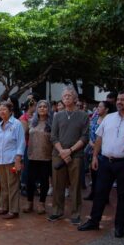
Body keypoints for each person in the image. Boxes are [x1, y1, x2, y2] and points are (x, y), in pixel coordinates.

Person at [79, 90, 124, 236]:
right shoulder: (109, 118)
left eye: (123, 99)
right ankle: (94, 221)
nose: (119, 102)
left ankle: (119, 226)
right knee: (100, 193)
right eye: (118, 99)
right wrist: (95, 157)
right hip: (105, 161)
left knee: (123, 196)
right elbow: (99, 138)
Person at [49, 88, 90, 223]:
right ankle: (57, 211)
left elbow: (85, 137)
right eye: (64, 95)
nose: (66, 97)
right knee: (57, 184)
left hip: (76, 155)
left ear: (75, 99)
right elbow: (53, 136)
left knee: (76, 185)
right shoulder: (57, 116)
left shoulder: (83, 116)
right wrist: (62, 151)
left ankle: (76, 213)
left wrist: (70, 151)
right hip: (58, 154)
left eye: (69, 95)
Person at [0, 101, 25, 219]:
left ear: (11, 111)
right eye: (0, 109)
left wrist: (18, 159)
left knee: (13, 185)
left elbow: (21, 143)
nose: (1, 111)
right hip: (1, 160)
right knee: (4, 185)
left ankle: (14, 210)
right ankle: (4, 207)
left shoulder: (17, 124)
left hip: (12, 160)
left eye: (4, 109)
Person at [25, 100, 53, 214]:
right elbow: (26, 134)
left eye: (45, 107)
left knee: (44, 181)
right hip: (32, 156)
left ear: (48, 109)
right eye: (40, 106)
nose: (42, 108)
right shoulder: (31, 122)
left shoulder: (52, 123)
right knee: (29, 181)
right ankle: (29, 202)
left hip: (46, 156)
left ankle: (42, 204)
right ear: (36, 109)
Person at [85, 100, 115, 201]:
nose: (98, 108)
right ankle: (93, 193)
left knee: (102, 175)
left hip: (103, 151)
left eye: (100, 107)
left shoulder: (110, 121)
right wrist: (91, 143)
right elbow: (90, 133)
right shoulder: (94, 118)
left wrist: (98, 146)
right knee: (93, 173)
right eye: (98, 106)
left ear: (106, 109)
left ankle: (104, 196)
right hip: (92, 149)